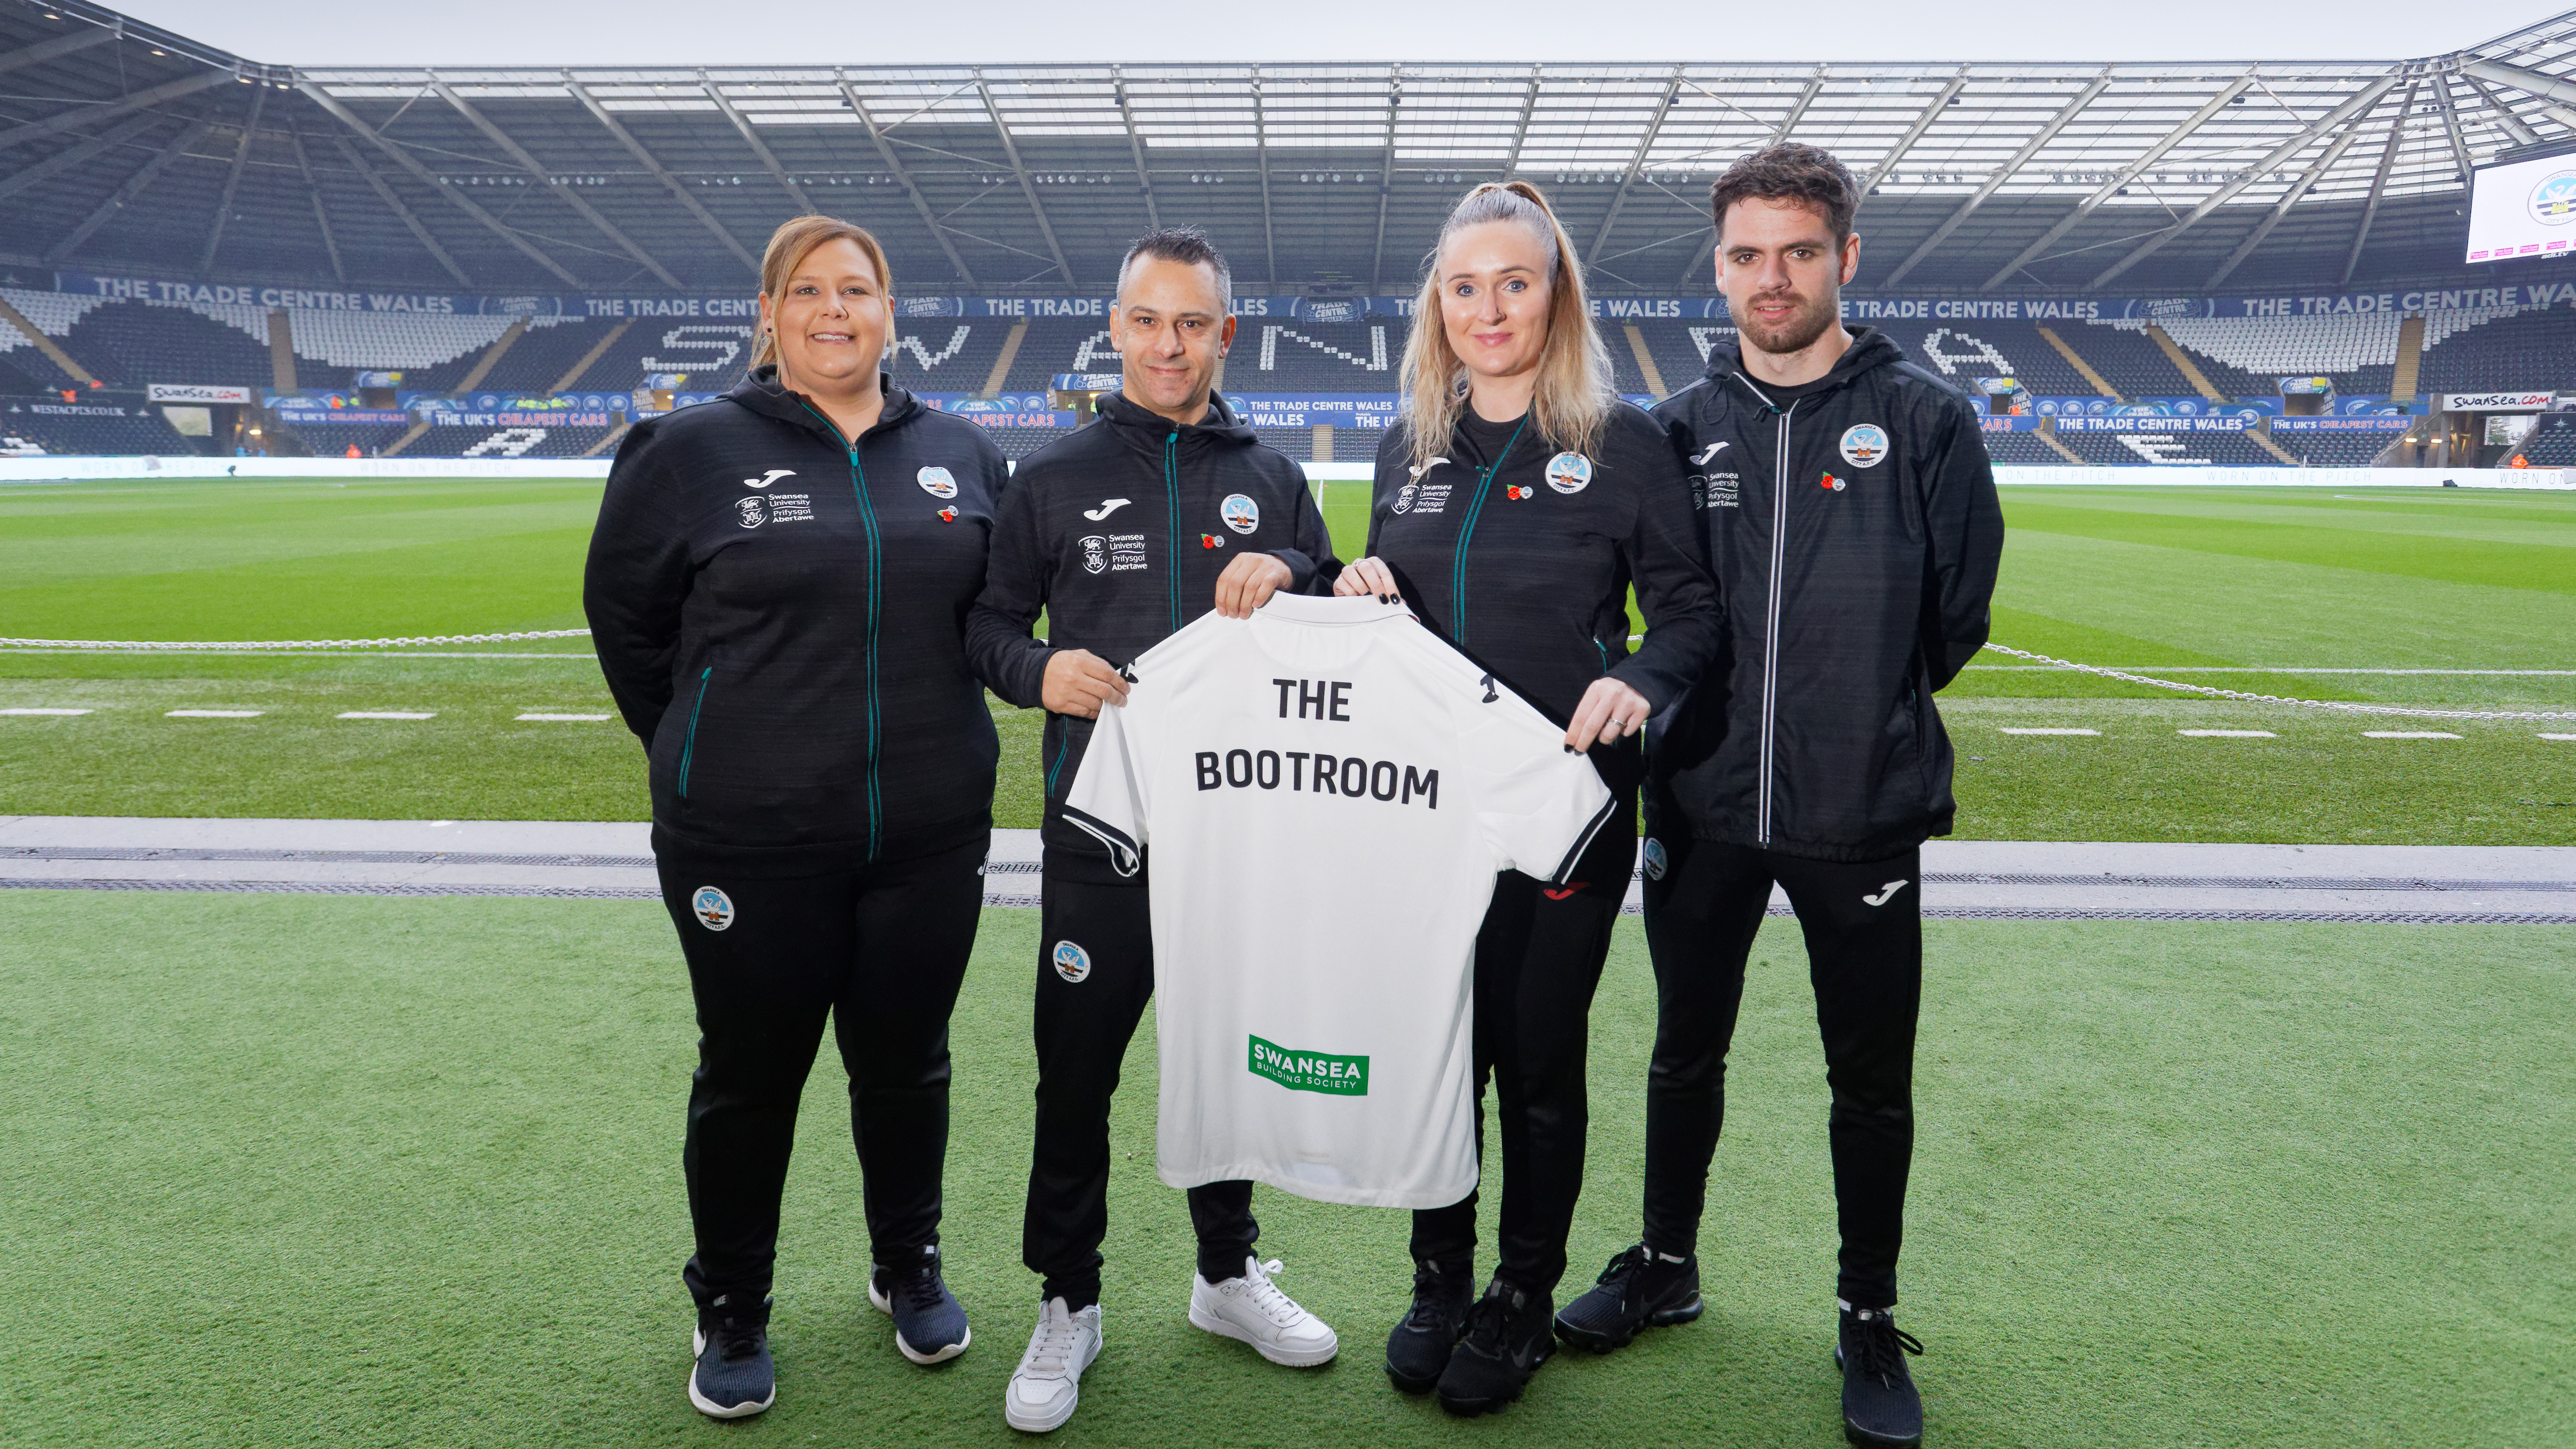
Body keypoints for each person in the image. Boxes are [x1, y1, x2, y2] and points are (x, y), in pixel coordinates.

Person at [1553, 144, 2003, 1449]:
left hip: (1858, 808)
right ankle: (1664, 1261)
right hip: (1694, 809)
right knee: (1681, 1047)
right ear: (1719, 265)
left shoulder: (1924, 418)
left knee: (1867, 1076)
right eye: (1747, 254)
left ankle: (1866, 1311)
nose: (1772, 277)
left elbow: (1953, 617)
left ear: (1845, 259)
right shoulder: (1673, 430)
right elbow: (1651, 609)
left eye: (1798, 251)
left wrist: (1848, 710)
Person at [584, 215, 1010, 1421]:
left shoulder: (966, 454)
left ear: (890, 308)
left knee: (907, 1061)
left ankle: (906, 1262)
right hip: (746, 840)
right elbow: (626, 621)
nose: (836, 309)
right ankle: (732, 1303)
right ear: (767, 313)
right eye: (809, 291)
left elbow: (1000, 621)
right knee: (749, 1076)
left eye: (858, 289)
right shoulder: (685, 449)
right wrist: (702, 744)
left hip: (927, 830)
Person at [1333, 180, 1722, 1417]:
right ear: (1434, 306)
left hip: (1564, 802)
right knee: (1438, 1054)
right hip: (1419, 811)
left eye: (1514, 281)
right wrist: (1353, 580)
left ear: (1555, 296)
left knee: (1535, 1054)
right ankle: (1438, 1276)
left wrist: (1640, 682)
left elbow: (1692, 614)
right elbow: (1380, 589)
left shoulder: (1623, 439)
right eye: (1463, 285)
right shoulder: (1410, 441)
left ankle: (1517, 1292)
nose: (1487, 307)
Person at [965, 227, 1344, 1434]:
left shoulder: (1273, 472)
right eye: (1146, 319)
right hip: (1102, 833)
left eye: (1192, 322)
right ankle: (1066, 1300)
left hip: (1240, 832)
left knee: (1231, 1066)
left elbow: (1336, 592)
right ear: (1114, 325)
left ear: (1223, 334)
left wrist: (1290, 561)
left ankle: (1225, 1276)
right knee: (1077, 1074)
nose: (1168, 343)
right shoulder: (1053, 473)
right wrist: (1037, 670)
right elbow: (982, 623)